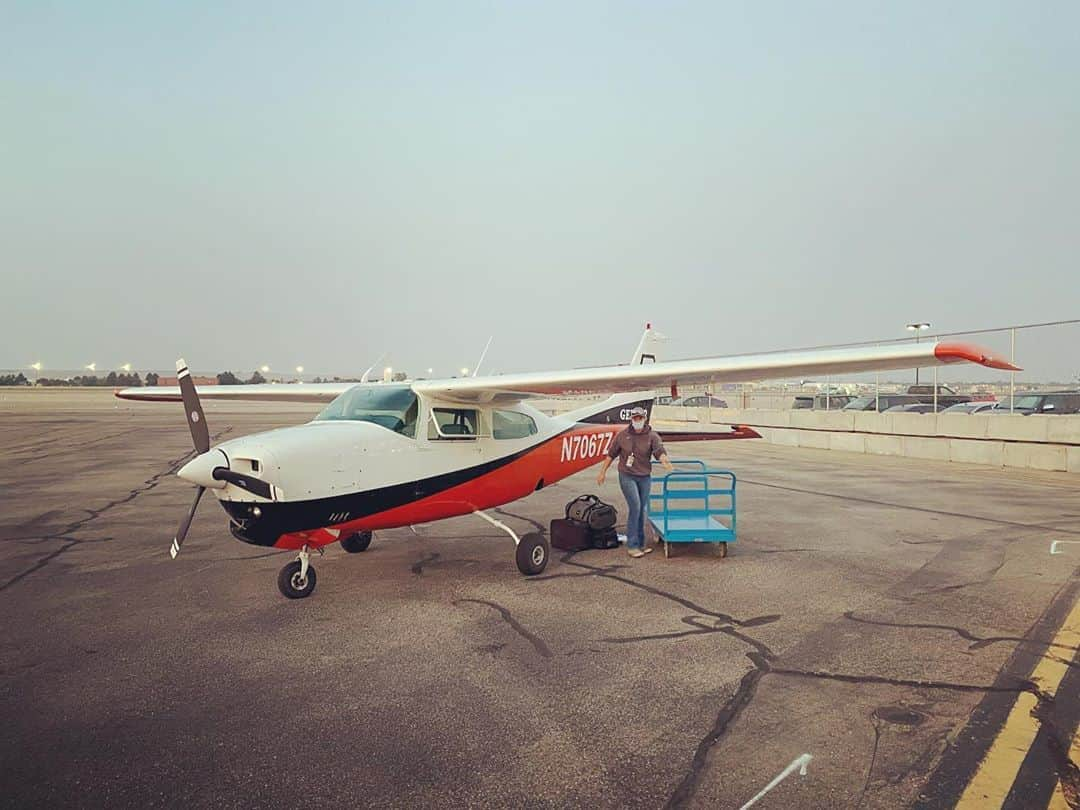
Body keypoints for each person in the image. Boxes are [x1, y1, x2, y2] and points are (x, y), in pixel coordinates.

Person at [596, 406, 674, 557]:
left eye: (640, 418)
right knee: (635, 507)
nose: (637, 420)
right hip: (627, 475)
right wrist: (602, 472)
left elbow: (659, 451)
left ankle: (641, 543)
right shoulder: (622, 436)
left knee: (642, 510)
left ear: (644, 419)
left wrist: (666, 462)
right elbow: (611, 454)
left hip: (644, 476)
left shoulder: (652, 436)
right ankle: (632, 545)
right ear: (631, 420)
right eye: (635, 418)